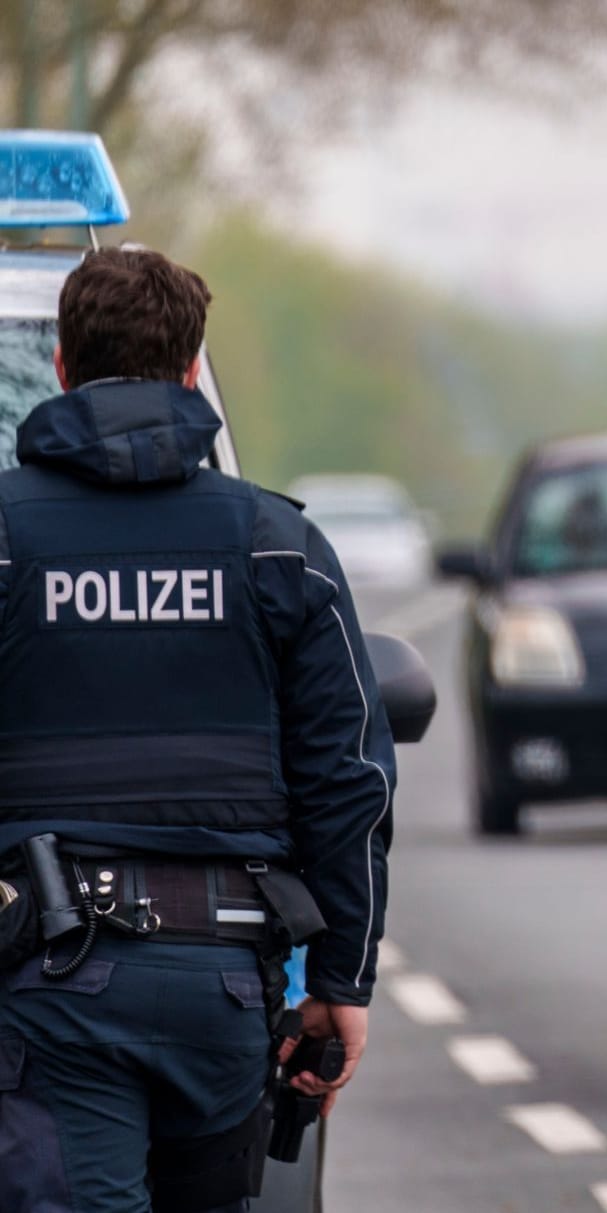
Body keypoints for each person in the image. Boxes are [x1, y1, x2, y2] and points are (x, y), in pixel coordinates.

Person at [0, 248, 396, 1212]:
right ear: (191, 368)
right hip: (221, 987)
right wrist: (343, 977)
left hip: (49, 988)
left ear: (60, 365)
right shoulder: (279, 547)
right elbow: (348, 777)